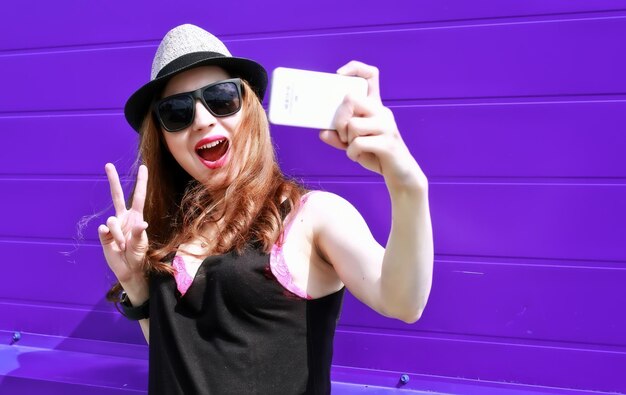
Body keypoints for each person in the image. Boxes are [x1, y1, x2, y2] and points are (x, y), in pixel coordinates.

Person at [98, 24, 433, 395]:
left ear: (249, 111)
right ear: (163, 138)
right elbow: (174, 352)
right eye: (176, 112)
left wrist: (407, 186)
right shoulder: (168, 233)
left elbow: (403, 302)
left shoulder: (309, 216)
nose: (203, 119)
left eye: (221, 98)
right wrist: (134, 282)